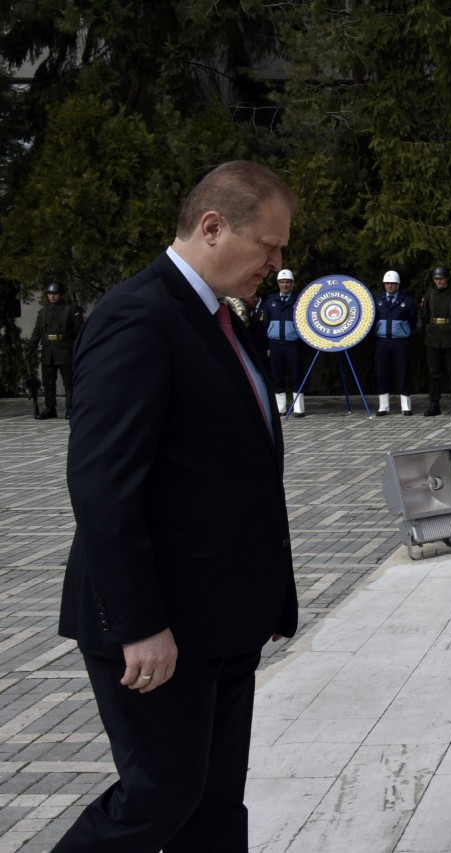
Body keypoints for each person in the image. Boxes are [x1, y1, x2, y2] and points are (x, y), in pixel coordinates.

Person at [55, 160, 300, 852]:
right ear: (214, 228)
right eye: (270, 246)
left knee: (215, 804)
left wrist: (266, 598)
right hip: (156, 629)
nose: (279, 263)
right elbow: (103, 486)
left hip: (221, 619)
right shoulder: (139, 316)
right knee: (159, 796)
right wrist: (138, 622)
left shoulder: (221, 318)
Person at [28, 281, 82, 420]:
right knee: (48, 382)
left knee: (69, 382)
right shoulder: (43, 312)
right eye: (50, 294)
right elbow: (37, 332)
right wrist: (30, 347)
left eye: (55, 294)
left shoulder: (70, 310)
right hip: (48, 350)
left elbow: (79, 331)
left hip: (65, 349)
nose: (52, 296)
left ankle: (70, 408)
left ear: (61, 295)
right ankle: (50, 408)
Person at [372, 270, 419, 415]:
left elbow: (413, 320)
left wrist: (403, 332)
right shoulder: (377, 300)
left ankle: (406, 405)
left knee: (403, 371)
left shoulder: (407, 301)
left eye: (392, 283)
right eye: (387, 283)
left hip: (400, 342)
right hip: (382, 341)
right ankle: (384, 406)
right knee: (382, 372)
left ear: (398, 285)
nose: (390, 286)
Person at [422, 264, 451, 417]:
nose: (439, 281)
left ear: (447, 279)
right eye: (436, 279)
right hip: (433, 337)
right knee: (434, 372)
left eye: (441, 278)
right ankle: (434, 404)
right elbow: (425, 317)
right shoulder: (429, 296)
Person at [263, 268, 305, 417]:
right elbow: (266, 324)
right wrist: (268, 345)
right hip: (275, 344)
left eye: (288, 282)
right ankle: (280, 407)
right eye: (282, 282)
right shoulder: (270, 302)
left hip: (292, 343)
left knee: (296, 374)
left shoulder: (299, 301)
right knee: (277, 375)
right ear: (278, 284)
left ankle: (298, 407)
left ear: (292, 284)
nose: (285, 285)